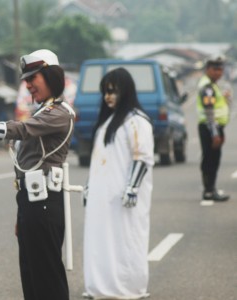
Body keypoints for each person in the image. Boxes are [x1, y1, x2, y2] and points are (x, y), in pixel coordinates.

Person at [0, 49, 74, 300]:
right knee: (32, 277)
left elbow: (21, 130)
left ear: (51, 76)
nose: (28, 85)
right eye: (26, 80)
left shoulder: (60, 113)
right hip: (32, 203)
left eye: (33, 78)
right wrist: (21, 212)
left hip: (45, 204)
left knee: (47, 279)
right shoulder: (45, 112)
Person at [82, 67, 154, 299]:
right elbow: (98, 161)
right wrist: (89, 186)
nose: (108, 96)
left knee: (126, 240)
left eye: (113, 91)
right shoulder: (108, 121)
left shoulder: (137, 122)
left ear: (126, 91)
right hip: (102, 196)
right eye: (105, 92)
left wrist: (132, 188)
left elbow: (142, 157)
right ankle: (99, 287)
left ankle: (129, 288)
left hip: (123, 197)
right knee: (99, 240)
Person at [196, 55, 230, 201]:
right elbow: (209, 111)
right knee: (211, 159)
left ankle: (210, 189)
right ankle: (209, 191)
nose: (219, 73)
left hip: (212, 127)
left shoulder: (212, 85)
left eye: (221, 70)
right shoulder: (208, 87)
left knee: (211, 159)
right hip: (210, 128)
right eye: (216, 70)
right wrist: (215, 133)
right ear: (208, 69)